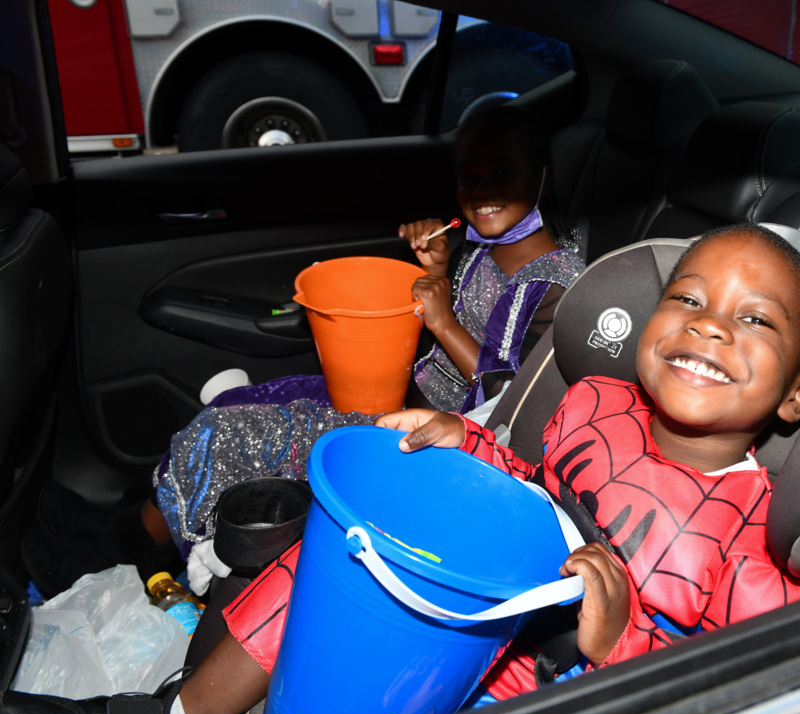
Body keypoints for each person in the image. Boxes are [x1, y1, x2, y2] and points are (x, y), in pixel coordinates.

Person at [0, 224, 800, 714]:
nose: (710, 327)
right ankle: (182, 710)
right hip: (463, 605)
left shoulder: (757, 537)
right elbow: (523, 484)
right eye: (687, 299)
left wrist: (620, 643)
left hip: (551, 687)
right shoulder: (596, 401)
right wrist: (464, 441)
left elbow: (733, 687)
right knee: (335, 551)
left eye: (753, 320)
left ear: (797, 398)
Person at [21, 105, 585, 596]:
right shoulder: (484, 253)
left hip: (437, 436)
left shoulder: (559, 288)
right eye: (470, 178)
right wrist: (439, 269)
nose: (483, 191)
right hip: (401, 389)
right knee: (233, 409)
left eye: (504, 174)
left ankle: (119, 554)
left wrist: (441, 324)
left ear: (544, 178)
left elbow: (510, 399)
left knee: (229, 437)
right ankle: (128, 524)